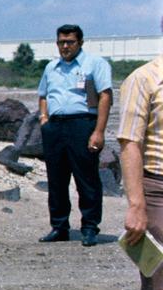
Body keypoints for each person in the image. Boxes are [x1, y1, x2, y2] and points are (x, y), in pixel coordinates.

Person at [37, 24, 113, 246]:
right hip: (55, 127)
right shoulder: (51, 67)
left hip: (82, 124)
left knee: (86, 179)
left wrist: (98, 131)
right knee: (56, 180)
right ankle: (59, 227)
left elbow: (105, 96)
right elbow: (43, 95)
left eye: (70, 42)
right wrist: (44, 118)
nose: (65, 46)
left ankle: (89, 228)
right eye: (61, 42)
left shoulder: (95, 64)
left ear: (80, 42)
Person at [117, 50, 163, 290]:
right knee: (161, 287)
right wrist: (136, 204)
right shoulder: (143, 79)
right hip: (157, 189)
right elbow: (129, 143)